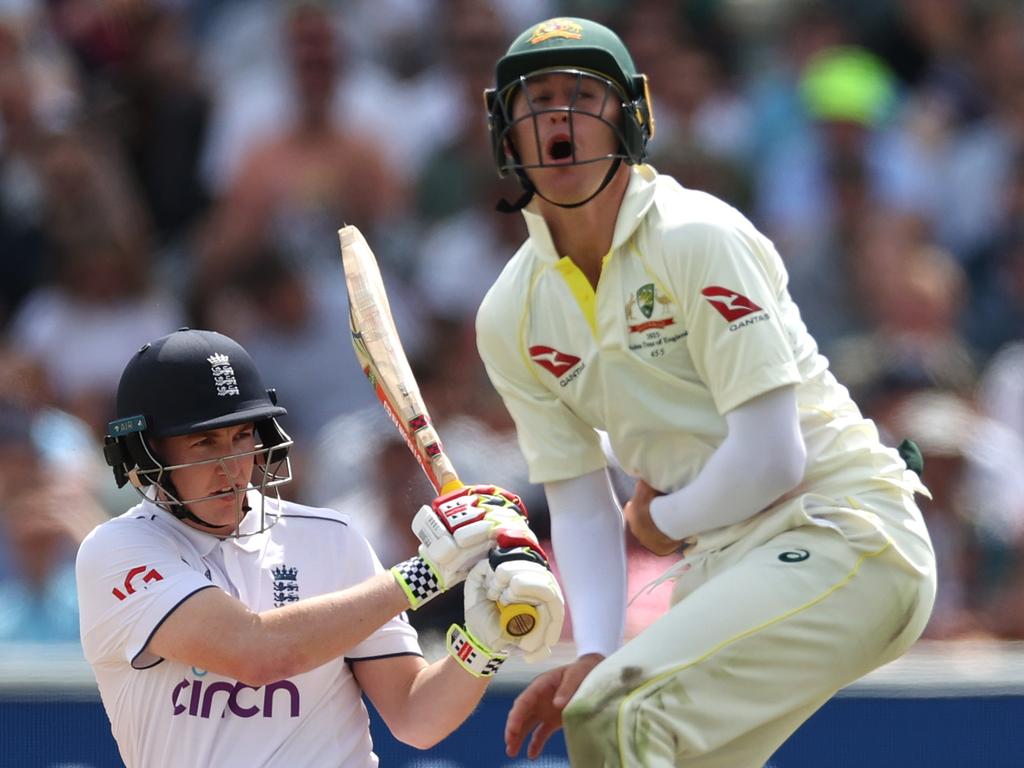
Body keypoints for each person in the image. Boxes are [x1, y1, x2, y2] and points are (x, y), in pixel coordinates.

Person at [474, 17, 937, 767]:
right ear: (507, 135)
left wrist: (663, 519)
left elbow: (772, 458)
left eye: (583, 97)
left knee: (614, 713)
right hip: (722, 563)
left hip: (843, 532)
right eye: (538, 102)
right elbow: (579, 500)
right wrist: (594, 648)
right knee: (625, 720)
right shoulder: (509, 314)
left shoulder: (696, 236)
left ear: (631, 119)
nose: (558, 120)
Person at [75, 328, 564, 768]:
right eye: (203, 443)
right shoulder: (118, 552)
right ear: (145, 452)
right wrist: (426, 574)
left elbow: (416, 717)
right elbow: (255, 653)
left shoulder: (332, 538)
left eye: (242, 436)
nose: (231, 465)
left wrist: (480, 647)